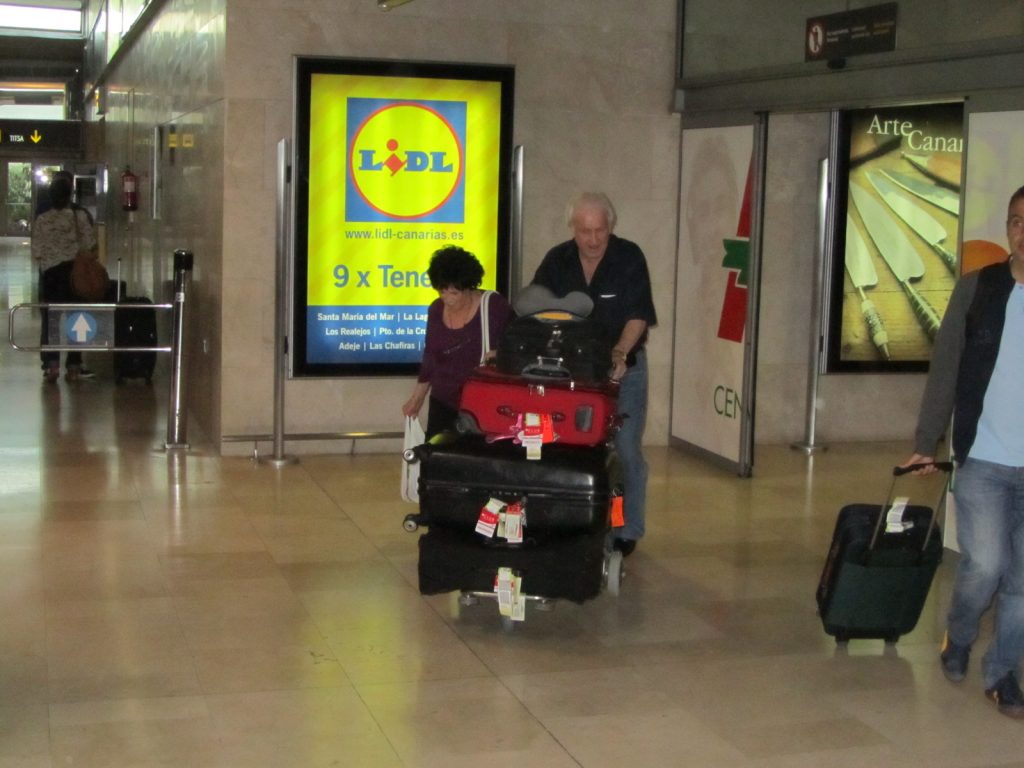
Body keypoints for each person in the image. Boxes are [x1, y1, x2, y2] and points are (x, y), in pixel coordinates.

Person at [902, 184, 1024, 719]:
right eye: (1017, 220)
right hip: (984, 459)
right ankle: (959, 632)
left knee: (1023, 581)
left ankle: (1003, 673)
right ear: (1008, 229)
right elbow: (946, 368)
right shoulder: (978, 289)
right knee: (985, 566)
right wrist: (926, 443)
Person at [531, 192, 657, 557]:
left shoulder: (628, 257)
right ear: (572, 228)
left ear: (610, 227)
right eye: (584, 231)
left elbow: (638, 314)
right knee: (565, 445)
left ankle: (627, 529)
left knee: (626, 448)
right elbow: (537, 308)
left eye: (599, 230)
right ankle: (569, 520)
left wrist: (620, 351)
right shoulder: (558, 259)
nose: (592, 239)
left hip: (623, 370)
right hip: (573, 371)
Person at [403, 245, 513, 438]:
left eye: (454, 293)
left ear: (469, 287)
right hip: (443, 401)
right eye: (442, 292)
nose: (448, 299)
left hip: (482, 402)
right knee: (436, 459)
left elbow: (519, 346)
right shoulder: (436, 310)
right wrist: (417, 398)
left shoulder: (494, 306)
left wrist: (500, 355)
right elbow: (431, 356)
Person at [31, 174, 98, 383]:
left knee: (51, 319)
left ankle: (51, 366)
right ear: (70, 195)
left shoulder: (43, 220)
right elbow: (90, 245)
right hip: (75, 274)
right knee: (77, 318)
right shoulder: (80, 217)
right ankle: (74, 366)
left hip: (51, 274)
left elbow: (37, 251)